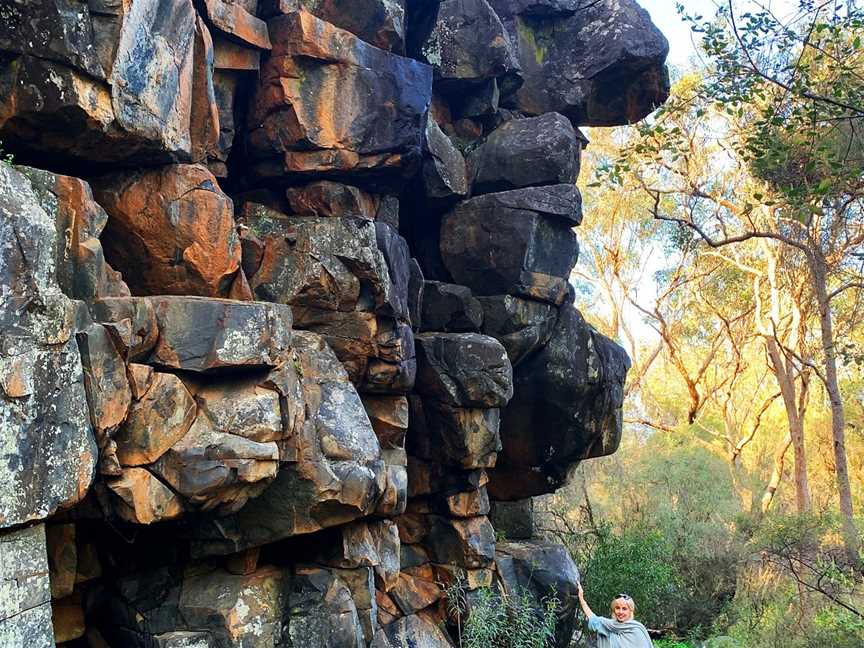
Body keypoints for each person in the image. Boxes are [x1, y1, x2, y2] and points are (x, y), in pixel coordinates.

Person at [577, 583, 653, 648]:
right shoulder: (607, 625)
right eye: (617, 608)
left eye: (624, 609)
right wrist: (581, 598)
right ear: (614, 610)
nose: (620, 612)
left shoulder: (636, 630)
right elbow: (592, 618)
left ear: (630, 611)